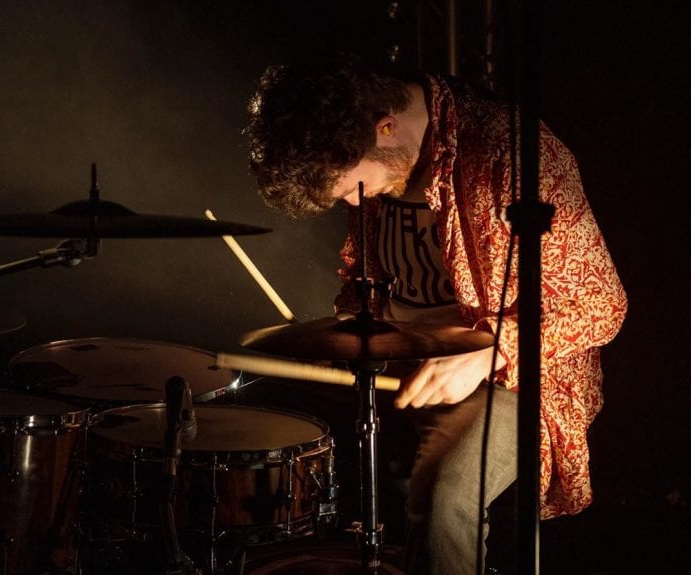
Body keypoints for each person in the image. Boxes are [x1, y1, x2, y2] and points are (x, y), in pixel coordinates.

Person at [244, 52, 627, 574]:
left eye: (355, 189)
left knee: (446, 498)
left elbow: (601, 304)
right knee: (252, 426)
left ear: (385, 127)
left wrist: (488, 353)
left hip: (510, 379)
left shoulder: (513, 154)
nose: (358, 207)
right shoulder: (377, 167)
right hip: (402, 359)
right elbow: (366, 286)